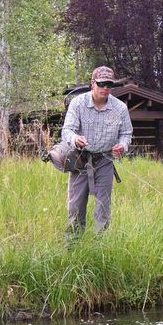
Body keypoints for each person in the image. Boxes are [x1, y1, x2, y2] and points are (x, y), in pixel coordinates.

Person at [60, 66, 133, 238]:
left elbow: (126, 134)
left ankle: (100, 249)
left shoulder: (120, 108)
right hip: (80, 161)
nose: (106, 88)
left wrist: (122, 146)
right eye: (101, 84)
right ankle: (73, 246)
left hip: (105, 161)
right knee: (75, 207)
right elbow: (67, 130)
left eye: (109, 84)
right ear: (92, 84)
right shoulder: (78, 103)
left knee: (103, 208)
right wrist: (75, 139)